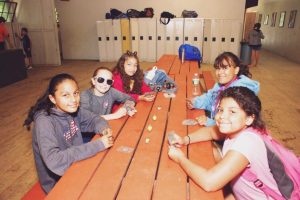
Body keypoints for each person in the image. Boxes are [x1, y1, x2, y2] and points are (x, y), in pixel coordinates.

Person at [168, 87, 282, 199]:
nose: (222, 116)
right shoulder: (238, 129)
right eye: (220, 110)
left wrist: (180, 158)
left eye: (232, 111)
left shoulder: (247, 142)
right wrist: (185, 139)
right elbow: (210, 132)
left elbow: (209, 183)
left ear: (249, 118)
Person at [23, 73, 114, 193]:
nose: (73, 100)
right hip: (58, 183)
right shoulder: (44, 121)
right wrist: (98, 145)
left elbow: (95, 119)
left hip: (78, 164)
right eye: (65, 95)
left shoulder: (72, 109)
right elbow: (55, 160)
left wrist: (104, 129)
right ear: (52, 98)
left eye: (75, 93)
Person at [186, 52, 260, 127]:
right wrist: (195, 102)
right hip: (217, 121)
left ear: (236, 70)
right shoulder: (220, 85)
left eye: (225, 68)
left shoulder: (240, 92)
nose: (220, 72)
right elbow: (209, 98)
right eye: (218, 68)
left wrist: (210, 122)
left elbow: (234, 122)